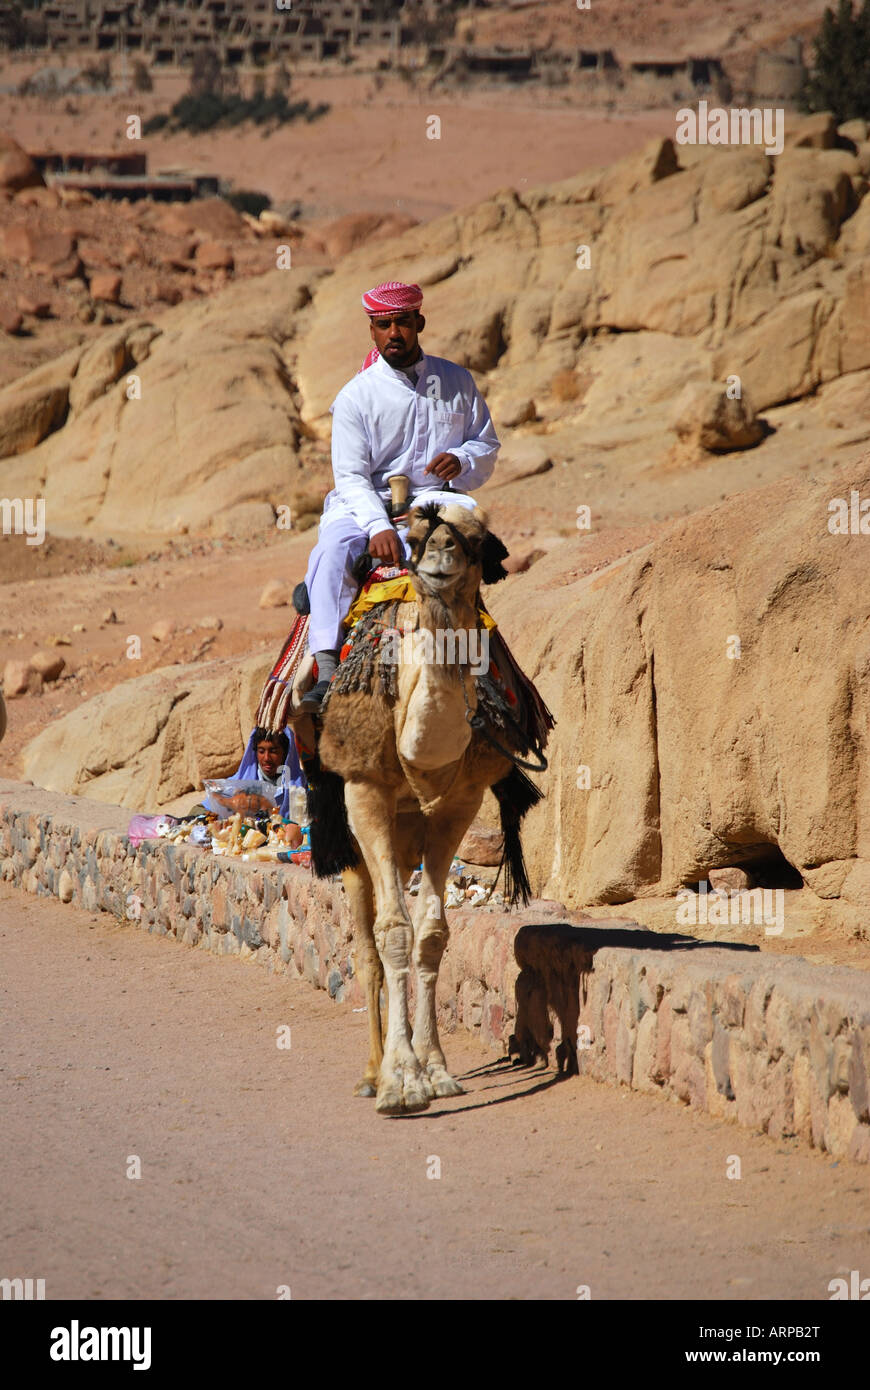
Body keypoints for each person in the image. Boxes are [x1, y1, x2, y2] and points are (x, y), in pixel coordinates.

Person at [298, 279, 501, 711]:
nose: (394, 332)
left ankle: (481, 667)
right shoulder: (356, 397)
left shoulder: (457, 380)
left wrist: (462, 460)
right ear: (372, 331)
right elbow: (350, 476)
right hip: (367, 502)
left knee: (468, 543)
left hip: (436, 498)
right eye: (384, 324)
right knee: (334, 549)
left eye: (403, 322)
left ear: (418, 322)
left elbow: (486, 444)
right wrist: (377, 527)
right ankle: (328, 664)